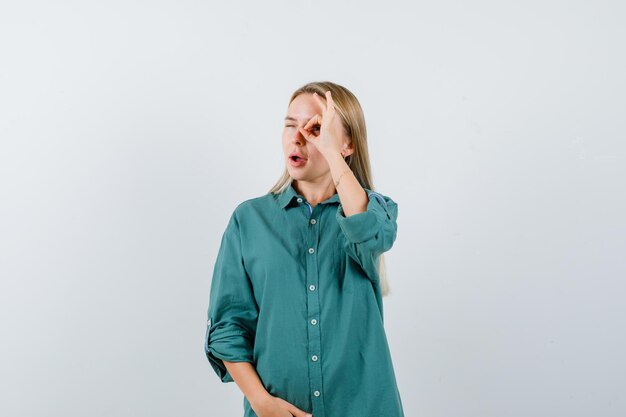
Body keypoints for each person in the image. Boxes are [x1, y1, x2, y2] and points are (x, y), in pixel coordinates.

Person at [204, 81, 405, 417]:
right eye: (289, 125)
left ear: (346, 143)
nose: (297, 138)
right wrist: (261, 402)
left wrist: (330, 151)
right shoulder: (249, 220)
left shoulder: (372, 210)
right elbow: (228, 325)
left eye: (314, 128)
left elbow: (371, 233)